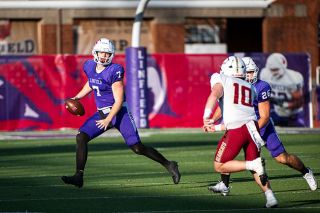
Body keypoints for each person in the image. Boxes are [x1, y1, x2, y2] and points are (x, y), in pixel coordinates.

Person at [61, 38, 181, 188]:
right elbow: (91, 82)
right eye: (102, 53)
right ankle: (79, 176)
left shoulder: (114, 70)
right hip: (102, 114)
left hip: (119, 113)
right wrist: (77, 97)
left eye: (107, 54)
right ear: (95, 53)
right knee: (81, 137)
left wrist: (108, 120)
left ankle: (169, 164)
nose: (104, 56)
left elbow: (118, 101)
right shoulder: (90, 66)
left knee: (137, 148)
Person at [207, 57, 317, 203]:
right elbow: (224, 108)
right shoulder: (235, 84)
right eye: (248, 72)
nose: (250, 76)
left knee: (282, 158)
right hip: (245, 126)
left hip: (261, 126)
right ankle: (225, 184)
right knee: (228, 152)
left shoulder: (261, 87)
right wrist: (213, 120)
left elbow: (264, 117)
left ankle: (305, 171)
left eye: (252, 72)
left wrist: (251, 131)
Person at [202, 56, 270, 206]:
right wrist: (216, 125)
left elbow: (215, 95)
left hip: (237, 129)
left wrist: (206, 116)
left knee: (221, 163)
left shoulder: (221, 79)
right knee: (255, 167)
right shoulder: (250, 87)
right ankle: (270, 196)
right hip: (252, 129)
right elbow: (239, 114)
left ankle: (250, 166)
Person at [260, 53, 305, 127]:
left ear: (283, 66)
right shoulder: (265, 74)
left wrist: (286, 105)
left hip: (294, 114)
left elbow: (299, 101)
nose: (274, 72)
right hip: (277, 112)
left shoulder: (293, 78)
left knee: (300, 132)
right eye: (272, 70)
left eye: (276, 69)